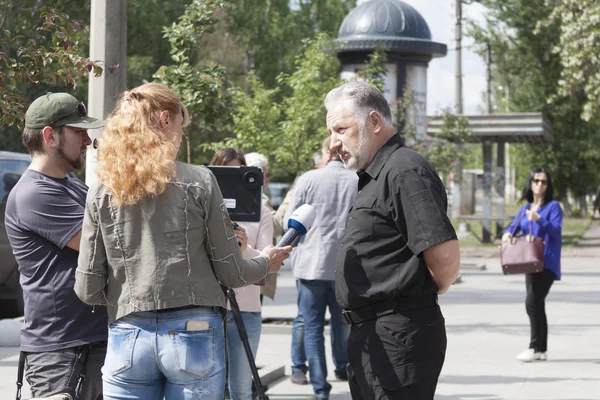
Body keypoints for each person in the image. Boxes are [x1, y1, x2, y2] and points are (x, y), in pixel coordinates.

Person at [73, 83, 291, 400]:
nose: (181, 133)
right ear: (165, 119)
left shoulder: (102, 190)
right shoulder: (200, 181)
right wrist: (266, 263)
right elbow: (232, 273)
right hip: (194, 333)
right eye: (180, 123)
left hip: (129, 335)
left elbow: (87, 288)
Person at [325, 81, 460, 400]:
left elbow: (446, 260)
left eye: (341, 129)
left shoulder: (403, 170)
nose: (334, 142)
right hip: (375, 336)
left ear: (374, 121)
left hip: (398, 336)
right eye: (332, 132)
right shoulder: (376, 175)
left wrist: (412, 297)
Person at [4, 92, 108, 399]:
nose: (87, 141)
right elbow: (103, 244)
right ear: (50, 136)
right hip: (60, 351)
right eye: (78, 131)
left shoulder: (73, 185)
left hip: (89, 341)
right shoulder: (34, 193)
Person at [284, 136, 357, 399]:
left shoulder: (308, 180)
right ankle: (345, 370)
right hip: (345, 268)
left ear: (326, 153)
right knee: (343, 323)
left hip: (311, 266)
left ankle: (320, 388)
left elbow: (290, 223)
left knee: (313, 328)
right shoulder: (358, 180)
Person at [210, 148, 274, 400]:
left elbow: (266, 264)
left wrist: (245, 247)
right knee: (209, 387)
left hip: (246, 310)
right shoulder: (201, 208)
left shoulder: (261, 213)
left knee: (240, 388)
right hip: (209, 309)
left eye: (238, 173)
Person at [502, 167, 562, 362]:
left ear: (548, 185)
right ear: (530, 183)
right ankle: (542, 349)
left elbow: (556, 231)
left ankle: (534, 347)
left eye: (543, 181)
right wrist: (508, 234)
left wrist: (540, 219)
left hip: (546, 262)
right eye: (536, 180)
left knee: (532, 303)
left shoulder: (553, 207)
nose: (539, 184)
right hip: (530, 262)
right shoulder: (526, 207)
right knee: (537, 303)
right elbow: (514, 225)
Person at [244, 151, 279, 303]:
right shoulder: (260, 200)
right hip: (253, 271)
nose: (268, 178)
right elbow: (278, 225)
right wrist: (288, 201)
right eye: (266, 173)